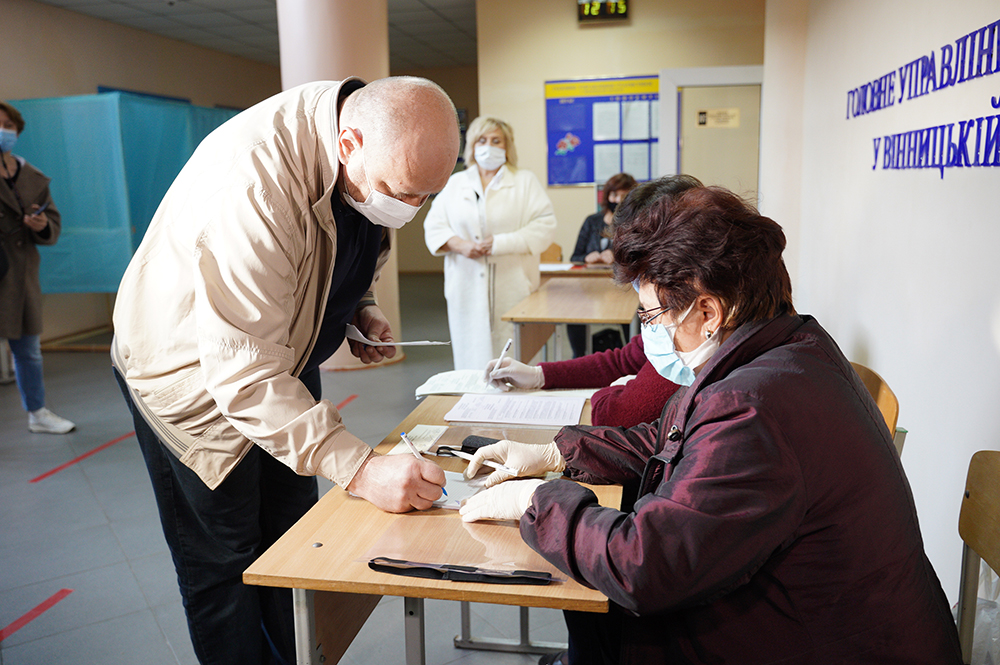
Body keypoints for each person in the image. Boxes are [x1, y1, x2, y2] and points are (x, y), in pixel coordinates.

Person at [459, 185, 962, 664]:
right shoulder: (786, 347)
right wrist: (558, 453)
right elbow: (671, 438)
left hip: (827, 646)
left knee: (599, 593)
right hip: (826, 623)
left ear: (707, 310)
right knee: (590, 604)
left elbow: (646, 566)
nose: (649, 331)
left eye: (652, 315)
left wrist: (536, 501)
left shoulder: (752, 405)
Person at [112, 77, 459, 665]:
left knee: (294, 538)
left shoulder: (365, 151)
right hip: (194, 381)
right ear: (348, 144)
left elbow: (353, 240)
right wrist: (362, 468)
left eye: (424, 198)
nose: (408, 210)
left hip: (278, 363)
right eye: (401, 194)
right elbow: (243, 376)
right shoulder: (255, 185)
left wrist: (358, 307)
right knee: (225, 562)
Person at [486, 175, 703, 428]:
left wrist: (614, 390)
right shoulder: (686, 294)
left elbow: (617, 415)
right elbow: (627, 359)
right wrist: (540, 375)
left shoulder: (692, 323)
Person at [423, 116, 556, 370]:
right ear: (472, 145)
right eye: (482, 140)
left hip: (514, 285)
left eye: (497, 141)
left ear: (508, 147)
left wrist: (501, 243)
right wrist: (460, 245)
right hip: (466, 286)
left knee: (516, 356)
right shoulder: (456, 183)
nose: (489, 146)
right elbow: (434, 226)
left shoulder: (524, 181)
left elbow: (545, 226)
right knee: (471, 356)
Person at [0, 101, 75, 434]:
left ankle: (37, 412)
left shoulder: (32, 177)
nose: (3, 131)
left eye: (7, 125)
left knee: (28, 351)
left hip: (21, 274)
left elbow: (53, 226)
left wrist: (41, 224)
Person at [566, 173, 638, 358]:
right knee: (573, 312)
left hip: (623, 289)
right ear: (607, 196)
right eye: (614, 195)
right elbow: (575, 256)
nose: (618, 200)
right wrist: (587, 258)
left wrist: (617, 257)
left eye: (624, 196)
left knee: (632, 316)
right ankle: (579, 356)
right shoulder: (592, 221)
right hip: (590, 289)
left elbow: (640, 258)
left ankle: (631, 357)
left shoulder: (636, 224)